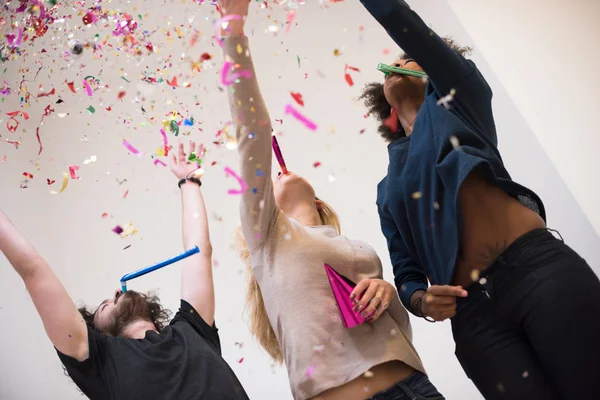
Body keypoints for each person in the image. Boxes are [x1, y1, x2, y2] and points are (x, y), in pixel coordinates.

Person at [359, 1, 600, 399]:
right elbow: (406, 273)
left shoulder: (461, 98)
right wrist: (421, 301)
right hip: (474, 318)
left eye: (412, 56)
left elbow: (402, 21)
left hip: (537, 272)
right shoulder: (388, 188)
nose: (401, 61)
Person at [217, 1, 443, 400]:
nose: (276, 174)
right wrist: (232, 30)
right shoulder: (267, 237)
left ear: (319, 199)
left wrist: (388, 294)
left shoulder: (356, 248)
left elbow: (398, 335)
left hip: (413, 389)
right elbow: (254, 130)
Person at [0, 141, 249, 400]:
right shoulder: (100, 360)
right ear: (99, 333)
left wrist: (188, 181)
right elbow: (32, 269)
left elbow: (198, 250)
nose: (117, 292)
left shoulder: (191, 328)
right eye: (105, 305)